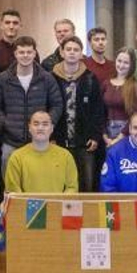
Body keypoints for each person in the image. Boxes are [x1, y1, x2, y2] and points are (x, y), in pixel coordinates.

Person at [0, 36, 65, 168]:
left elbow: (57, 104)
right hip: (11, 141)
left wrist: (45, 124)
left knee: (38, 181)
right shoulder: (2, 79)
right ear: (15, 54)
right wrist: (6, 124)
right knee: (10, 183)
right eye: (21, 52)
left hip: (40, 141)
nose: (25, 56)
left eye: (29, 52)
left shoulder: (46, 78)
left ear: (35, 53)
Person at [50, 36, 107, 192]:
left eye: (76, 50)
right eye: (68, 49)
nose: (72, 53)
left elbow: (98, 110)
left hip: (85, 142)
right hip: (59, 141)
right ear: (61, 52)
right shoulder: (51, 78)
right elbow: (48, 108)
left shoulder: (90, 78)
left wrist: (95, 136)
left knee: (86, 183)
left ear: (81, 53)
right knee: (60, 182)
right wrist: (52, 137)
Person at [3, 110, 80, 194]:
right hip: (28, 206)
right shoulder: (16, 157)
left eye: (45, 124)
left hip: (57, 206)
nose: (40, 128)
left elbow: (72, 188)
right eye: (36, 124)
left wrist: (59, 204)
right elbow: (13, 192)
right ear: (29, 127)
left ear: (51, 128)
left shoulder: (66, 156)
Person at [100, 48, 137, 146]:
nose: (121, 65)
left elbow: (136, 115)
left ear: (131, 65)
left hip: (126, 133)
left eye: (126, 62)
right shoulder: (106, 83)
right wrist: (104, 135)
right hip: (107, 132)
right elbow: (100, 111)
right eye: (119, 61)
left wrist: (120, 137)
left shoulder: (135, 86)